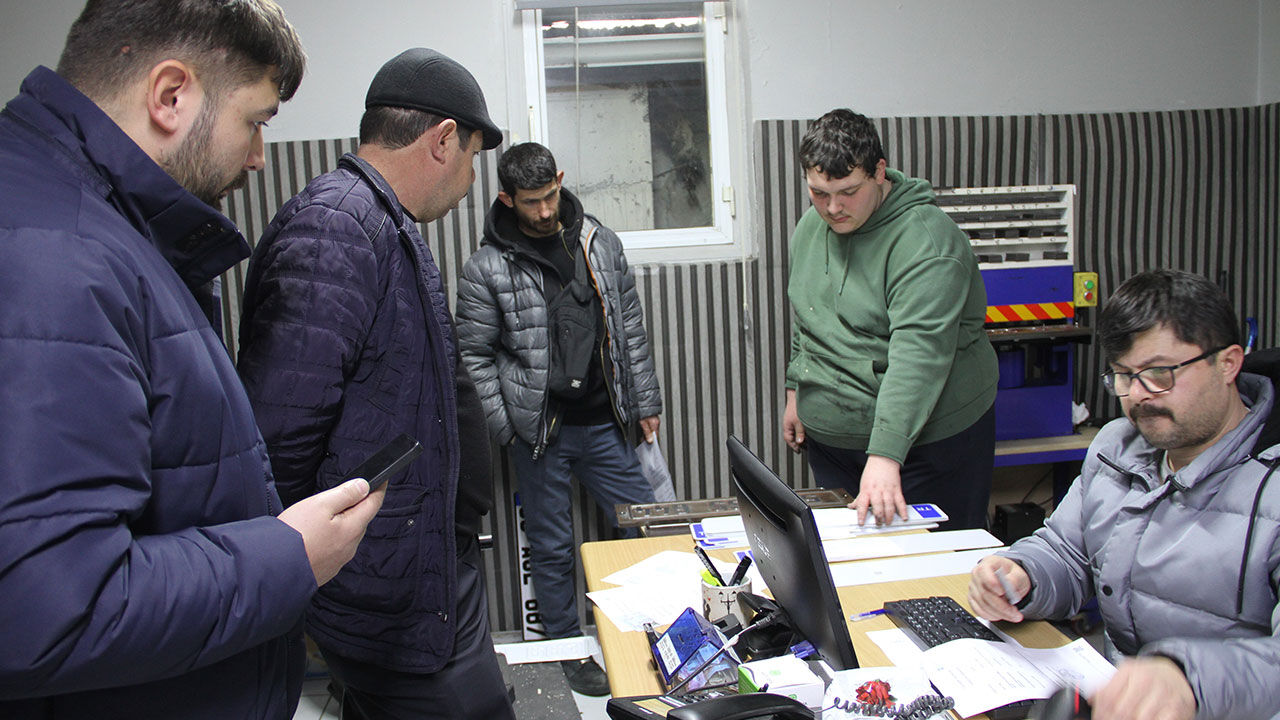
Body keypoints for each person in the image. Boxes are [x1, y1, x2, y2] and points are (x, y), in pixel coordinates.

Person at [0, 2, 386, 718]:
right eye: (256, 121)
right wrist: (289, 557)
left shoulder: (100, 229)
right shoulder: (54, 258)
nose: (258, 156)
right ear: (171, 95)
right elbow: (46, 612)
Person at [235, 48, 514, 720]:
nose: (471, 178)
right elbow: (278, 440)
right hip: (386, 584)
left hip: (413, 567)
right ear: (443, 140)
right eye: (474, 156)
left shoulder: (379, 221)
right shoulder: (337, 230)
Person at [969, 270, 1280, 720]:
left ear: (1228, 363)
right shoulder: (1116, 446)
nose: (1137, 396)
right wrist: (1022, 574)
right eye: (1123, 375)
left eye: (1158, 374)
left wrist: (1188, 681)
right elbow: (1066, 552)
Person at [455, 141, 662, 695]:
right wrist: (507, 427)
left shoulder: (598, 243)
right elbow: (472, 356)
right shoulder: (487, 267)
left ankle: (656, 632)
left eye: (550, 196)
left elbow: (629, 325)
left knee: (645, 523)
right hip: (541, 433)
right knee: (550, 547)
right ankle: (568, 649)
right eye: (531, 202)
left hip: (605, 423)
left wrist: (645, 402)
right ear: (507, 198)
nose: (545, 211)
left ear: (561, 179)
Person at [782, 108, 998, 530]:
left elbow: (919, 357)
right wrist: (797, 389)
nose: (833, 207)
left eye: (848, 191)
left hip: (925, 446)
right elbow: (806, 313)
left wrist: (885, 455)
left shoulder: (927, 243)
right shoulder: (810, 227)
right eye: (819, 193)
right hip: (836, 441)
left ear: (879, 172)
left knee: (931, 563)